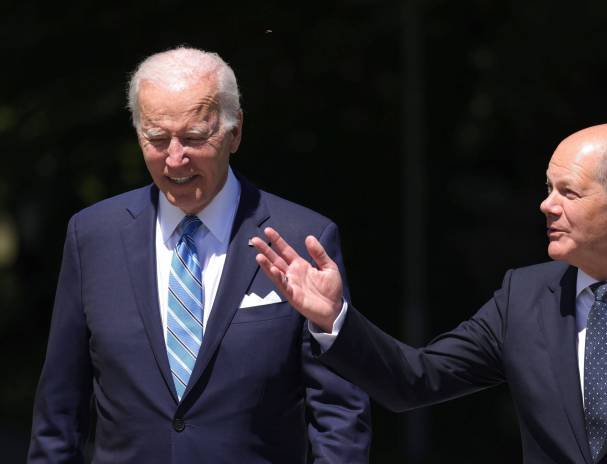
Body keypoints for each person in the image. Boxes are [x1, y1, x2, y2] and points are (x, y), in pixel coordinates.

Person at [251, 122, 607, 463]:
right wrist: (335, 320)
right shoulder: (524, 297)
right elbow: (415, 380)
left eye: (568, 192)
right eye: (548, 188)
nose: (546, 205)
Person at [28, 47, 370, 463]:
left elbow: (339, 414)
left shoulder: (302, 239)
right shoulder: (93, 236)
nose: (175, 159)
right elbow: (59, 414)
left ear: (234, 132)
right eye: (157, 139)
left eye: (193, 138)